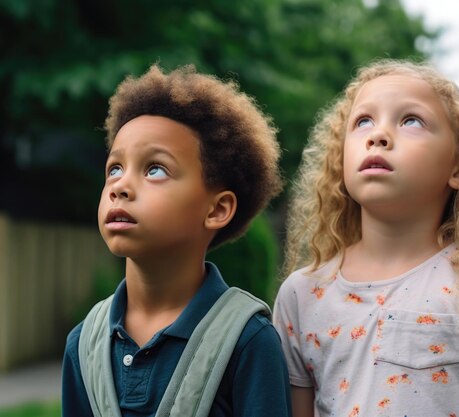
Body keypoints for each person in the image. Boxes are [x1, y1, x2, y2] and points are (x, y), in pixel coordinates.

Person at [273, 59, 459, 417]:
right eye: (363, 121)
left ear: (458, 167)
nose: (378, 135)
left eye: (411, 121)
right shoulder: (302, 294)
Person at [62, 64, 292, 417]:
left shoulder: (247, 340)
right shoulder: (83, 343)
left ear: (217, 209)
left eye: (155, 169)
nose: (120, 186)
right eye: (115, 168)